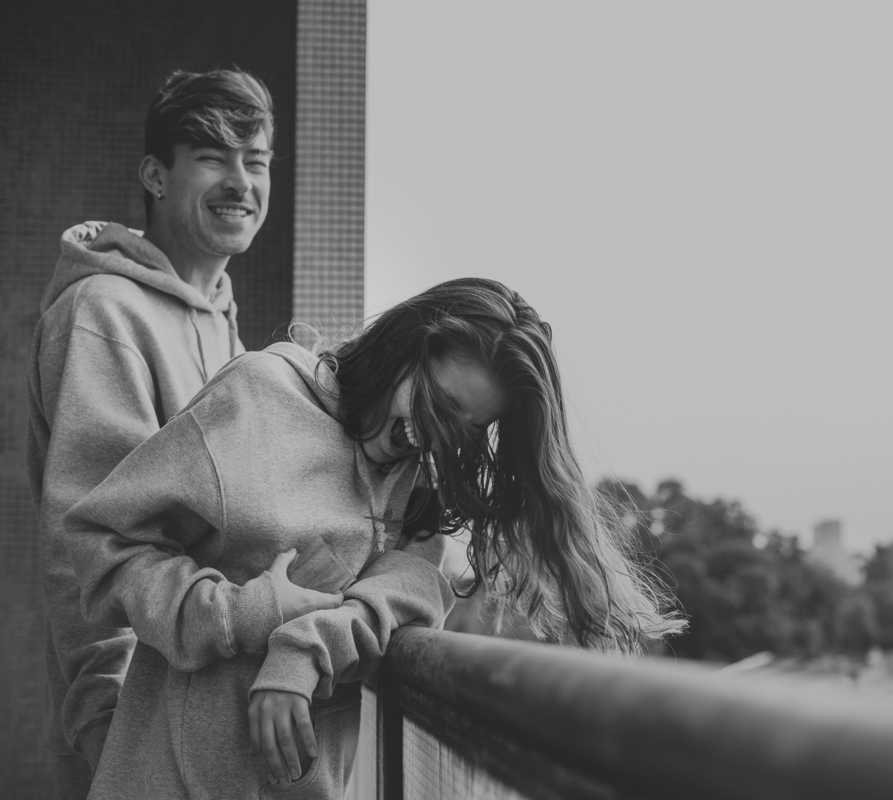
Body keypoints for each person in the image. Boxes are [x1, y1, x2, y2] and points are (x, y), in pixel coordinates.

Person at [62, 278, 684, 798]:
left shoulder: (424, 484)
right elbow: (103, 538)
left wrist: (303, 648)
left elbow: (408, 591)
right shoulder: (258, 397)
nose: (437, 438)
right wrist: (242, 612)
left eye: (468, 430)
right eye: (440, 404)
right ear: (405, 348)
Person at [26, 68, 343, 799]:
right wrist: (105, 721)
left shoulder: (220, 321)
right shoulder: (104, 315)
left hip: (213, 722)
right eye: (213, 157)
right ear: (155, 176)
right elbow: (86, 547)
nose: (241, 181)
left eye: (256, 161)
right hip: (138, 735)